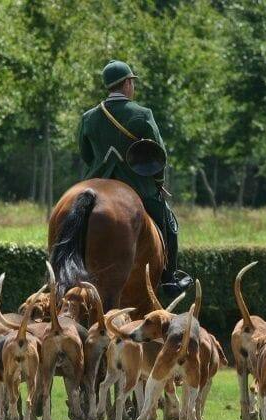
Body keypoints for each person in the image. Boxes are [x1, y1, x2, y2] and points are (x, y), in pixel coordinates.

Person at [78, 60, 192, 297]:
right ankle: (169, 278)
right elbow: (159, 154)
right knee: (169, 224)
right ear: (128, 83)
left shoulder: (88, 117)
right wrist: (158, 183)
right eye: (133, 82)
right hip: (137, 185)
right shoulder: (142, 114)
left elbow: (86, 154)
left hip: (95, 183)